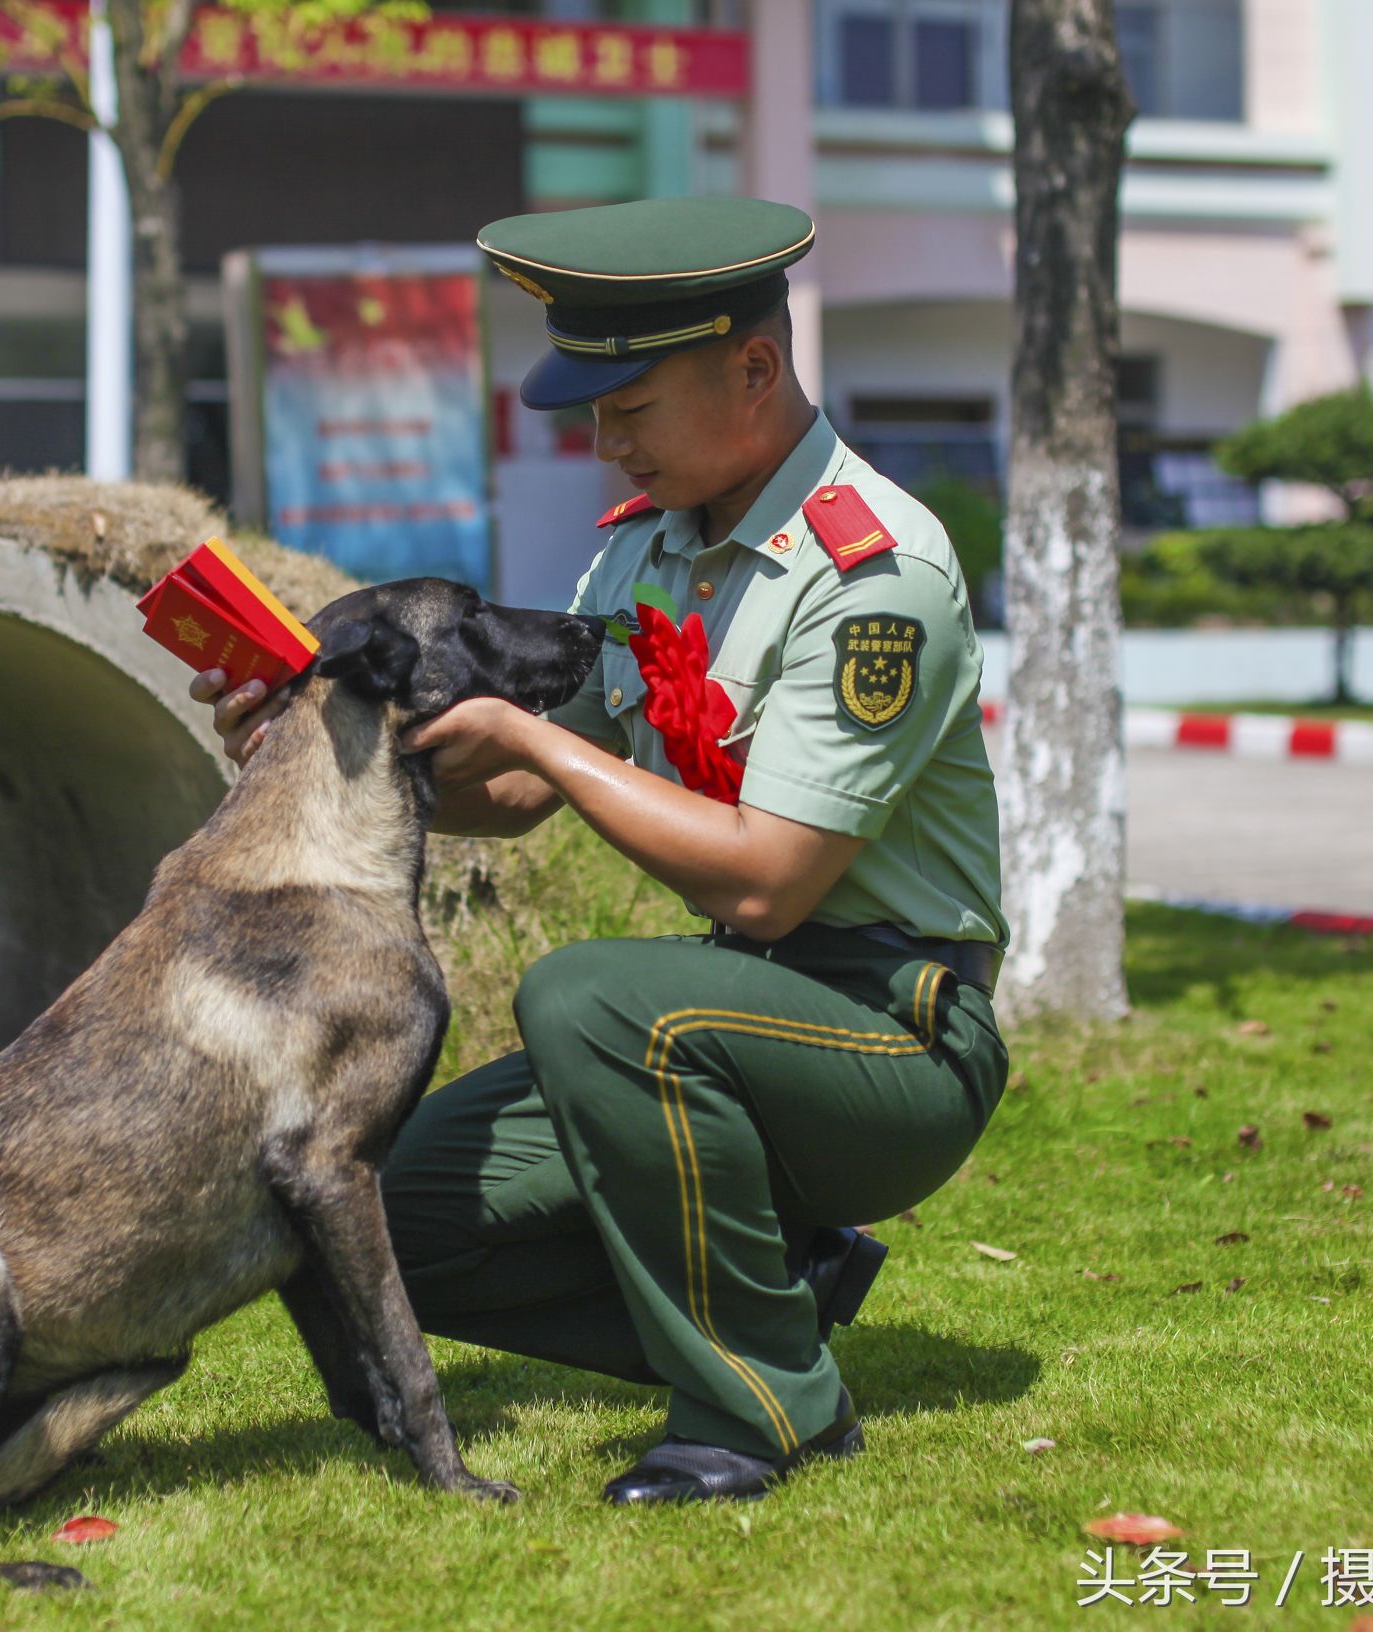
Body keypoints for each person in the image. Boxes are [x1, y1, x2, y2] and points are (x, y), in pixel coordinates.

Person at [192, 196, 1009, 1505]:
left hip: (893, 1032)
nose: (598, 440)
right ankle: (773, 1305)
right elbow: (509, 789)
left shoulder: (869, 577)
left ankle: (762, 1413)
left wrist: (560, 749)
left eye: (626, 407)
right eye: (590, 412)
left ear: (753, 369)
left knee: (589, 996)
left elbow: (766, 876)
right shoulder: (646, 554)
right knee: (378, 1219)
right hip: (729, 1007)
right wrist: (322, 748)